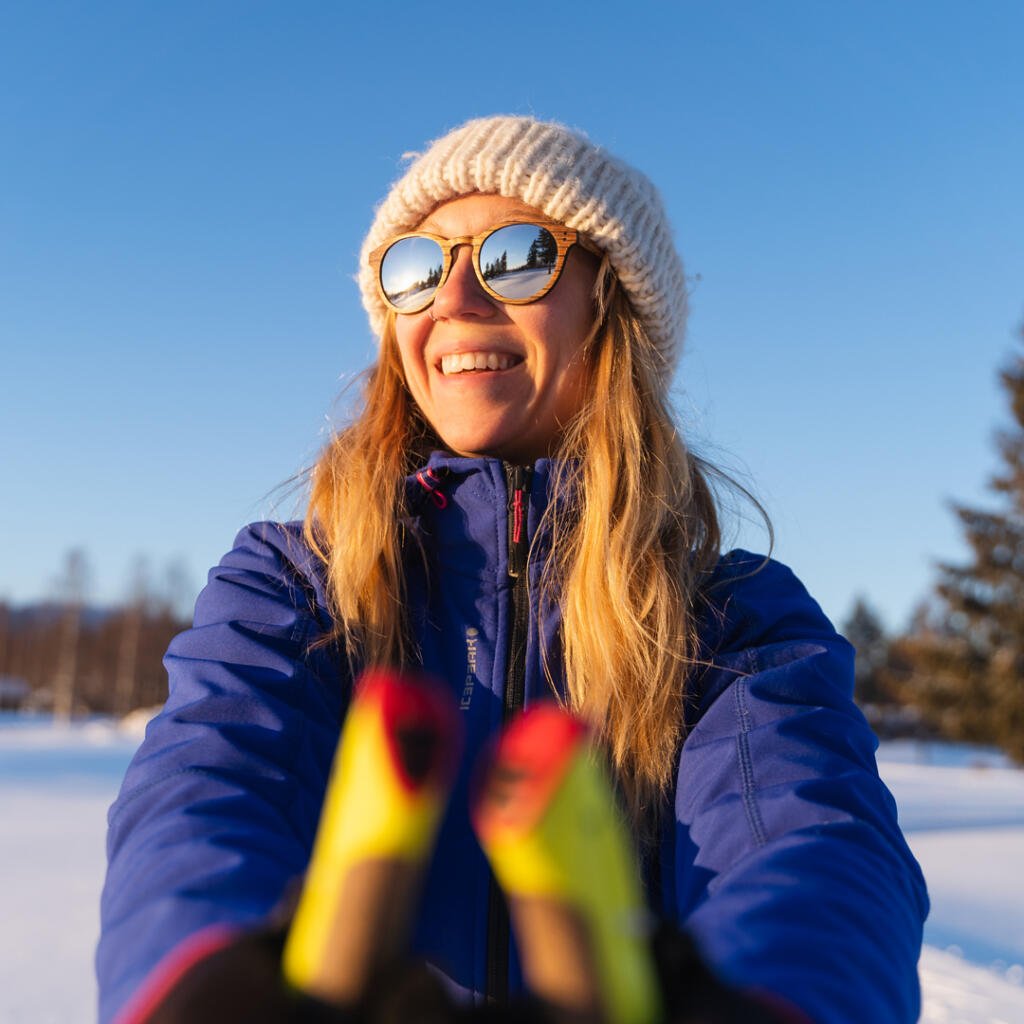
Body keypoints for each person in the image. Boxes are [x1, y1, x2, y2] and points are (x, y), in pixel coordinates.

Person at [97, 116, 928, 1024]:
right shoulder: (293, 584)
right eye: (415, 268)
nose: (452, 297)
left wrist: (770, 1002)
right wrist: (206, 983)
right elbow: (203, 793)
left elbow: (809, 850)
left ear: (614, 305)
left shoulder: (735, 618)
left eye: (517, 256)